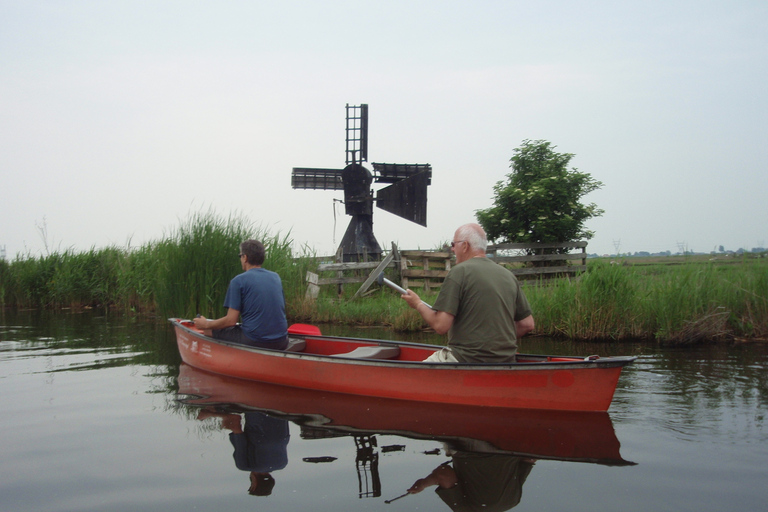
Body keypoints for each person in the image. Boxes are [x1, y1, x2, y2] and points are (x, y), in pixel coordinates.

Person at [400, 223, 534, 363]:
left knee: (409, 380)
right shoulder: (508, 275)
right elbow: (527, 324)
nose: (452, 249)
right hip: (506, 360)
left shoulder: (459, 272)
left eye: (453, 244)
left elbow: (441, 325)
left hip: (465, 359)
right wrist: (497, 342)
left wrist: (417, 304)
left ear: (465, 246)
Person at [193, 239, 289, 350]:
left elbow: (230, 321)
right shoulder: (275, 277)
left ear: (245, 257)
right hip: (282, 341)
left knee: (209, 330)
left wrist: (206, 325)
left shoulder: (238, 281)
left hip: (255, 341)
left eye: (240, 256)